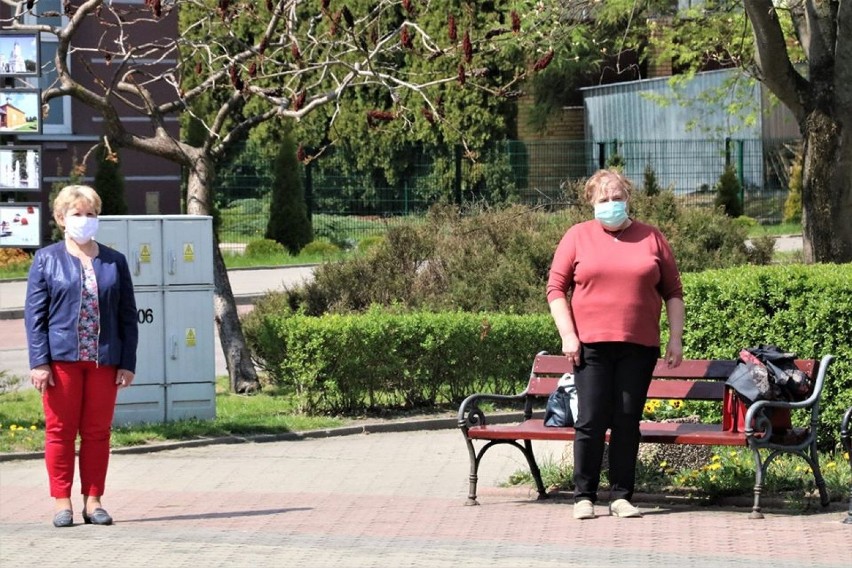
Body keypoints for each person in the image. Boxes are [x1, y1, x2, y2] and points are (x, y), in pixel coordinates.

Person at [546, 169, 685, 520]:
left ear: (628, 198)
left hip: (638, 347)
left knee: (626, 421)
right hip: (589, 346)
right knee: (590, 420)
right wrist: (568, 335)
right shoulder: (577, 236)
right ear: (592, 203)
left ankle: (622, 495)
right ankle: (584, 496)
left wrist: (676, 338)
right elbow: (555, 290)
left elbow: (674, 292)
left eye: (617, 197)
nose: (611, 204)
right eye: (603, 199)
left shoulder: (651, 237)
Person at [25, 184, 138, 527]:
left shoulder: (114, 261)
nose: (85, 220)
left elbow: (127, 316)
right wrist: (39, 362)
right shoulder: (46, 259)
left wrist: (127, 362)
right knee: (60, 431)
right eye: (77, 214)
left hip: (104, 361)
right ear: (61, 218)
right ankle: (62, 502)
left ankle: (93, 500)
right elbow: (35, 317)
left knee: (97, 432)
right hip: (61, 362)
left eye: (91, 214)